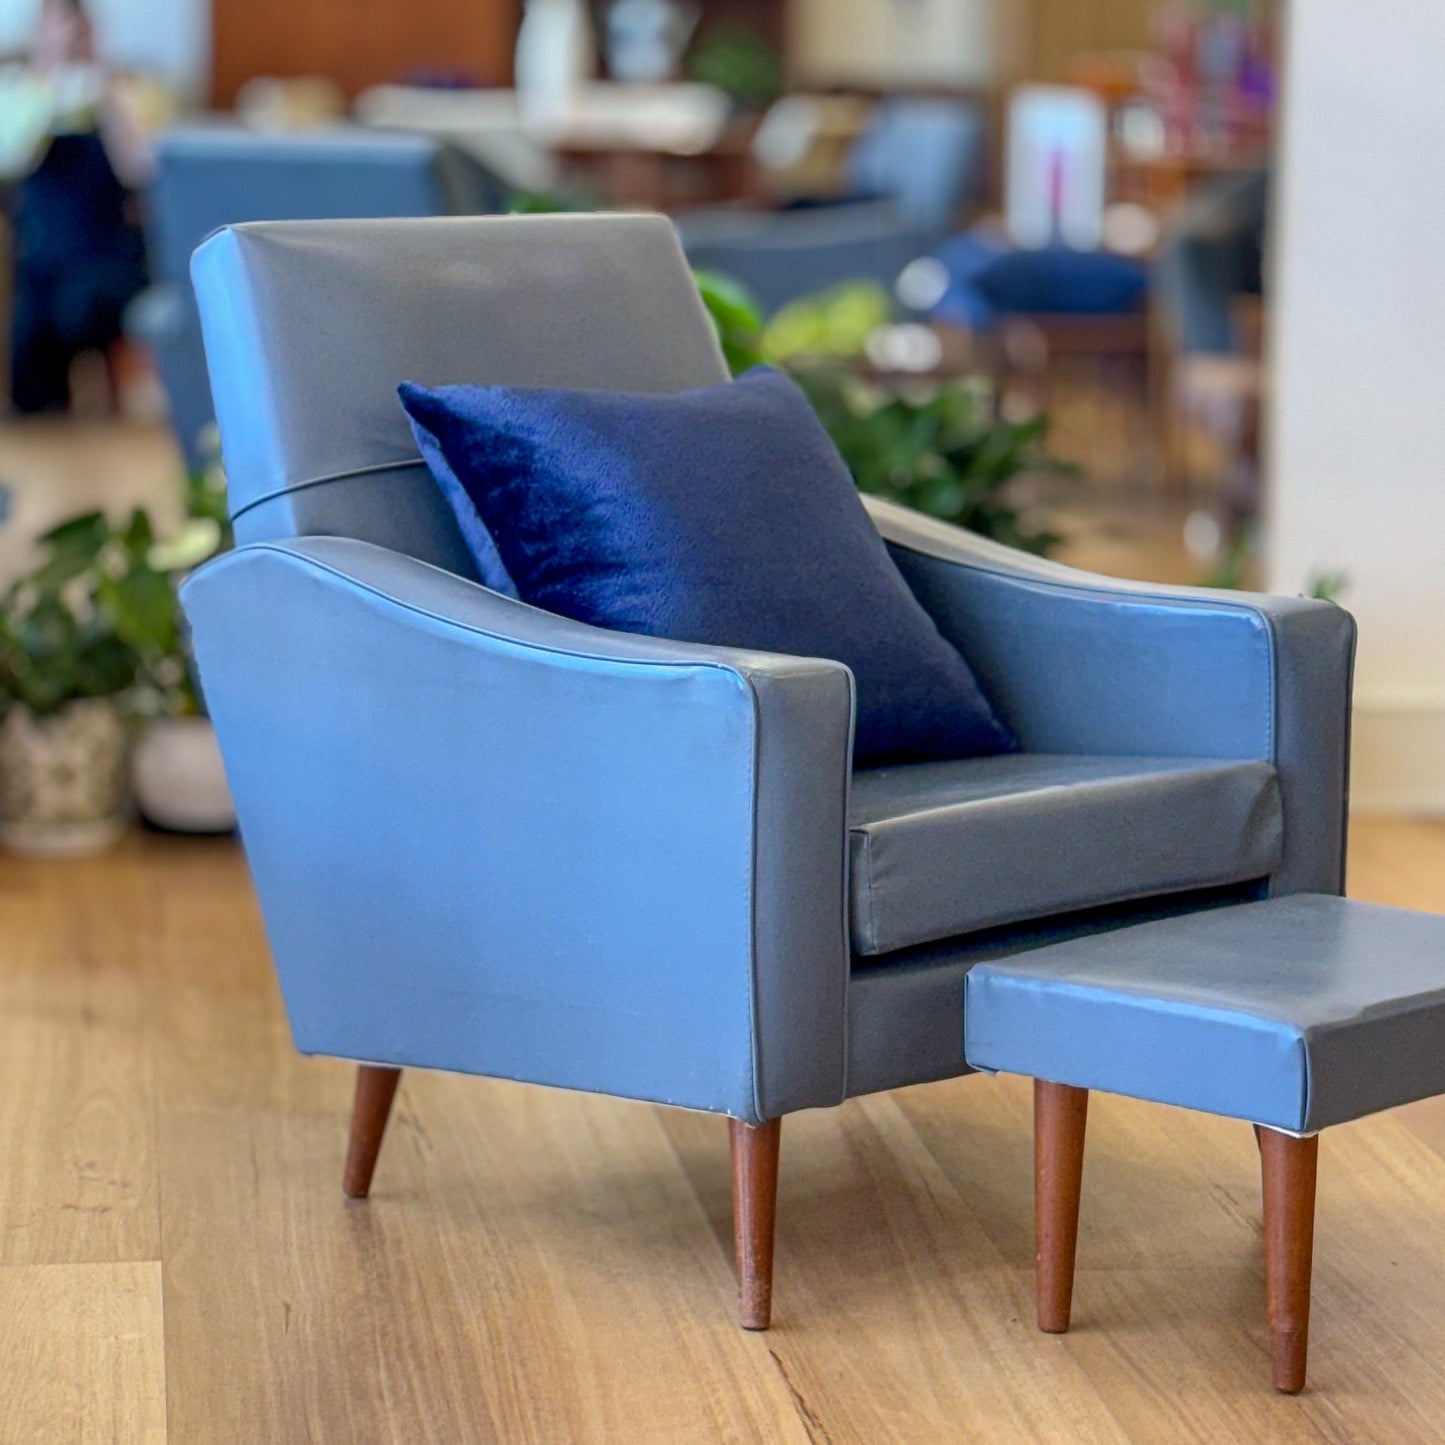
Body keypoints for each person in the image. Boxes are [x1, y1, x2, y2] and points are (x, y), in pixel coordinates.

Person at [1, 0, 154, 414]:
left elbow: (139, 169)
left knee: (79, 307)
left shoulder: (119, 91)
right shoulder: (19, 91)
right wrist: (49, 75)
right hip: (40, 259)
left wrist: (102, 86)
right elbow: (11, 156)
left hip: (105, 255)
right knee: (31, 342)